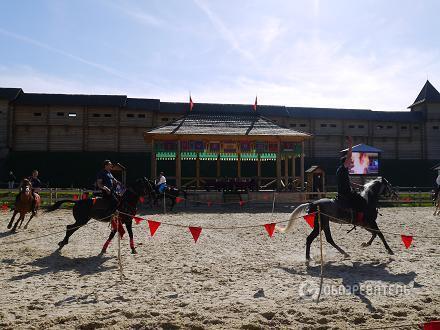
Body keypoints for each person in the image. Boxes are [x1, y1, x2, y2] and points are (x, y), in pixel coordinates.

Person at [336, 136, 367, 222]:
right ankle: (359, 221)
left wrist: (360, 186)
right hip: (345, 193)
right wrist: (350, 144)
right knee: (362, 201)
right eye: (350, 162)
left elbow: (349, 183)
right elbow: (349, 155)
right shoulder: (343, 168)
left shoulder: (341, 170)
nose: (351, 163)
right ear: (345, 162)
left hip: (343, 192)